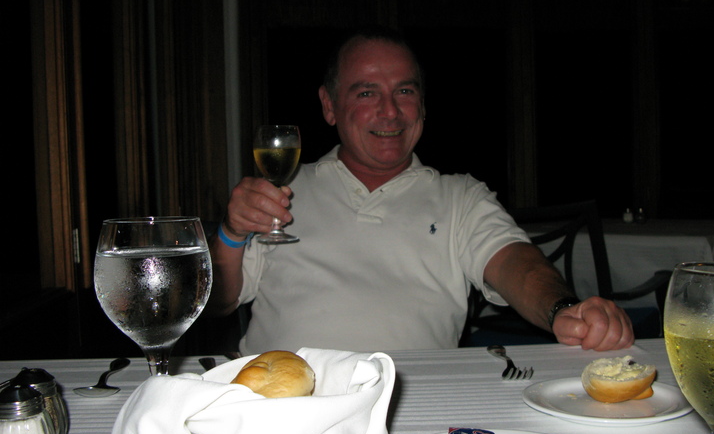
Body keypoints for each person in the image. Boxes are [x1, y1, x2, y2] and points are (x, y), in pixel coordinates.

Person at [207, 28, 634, 353]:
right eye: (367, 92)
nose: (390, 111)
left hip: (418, 408)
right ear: (329, 105)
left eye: (405, 91)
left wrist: (563, 309)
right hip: (281, 405)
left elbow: (515, 264)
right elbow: (218, 303)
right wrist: (231, 232)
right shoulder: (278, 191)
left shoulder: (460, 196)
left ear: (423, 106)